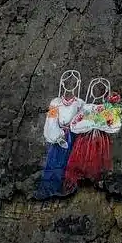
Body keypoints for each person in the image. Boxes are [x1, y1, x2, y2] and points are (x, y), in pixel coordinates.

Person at [63, 77, 122, 191]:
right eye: (95, 89)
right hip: (84, 139)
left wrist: (97, 124)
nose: (98, 93)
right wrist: (91, 123)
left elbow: (115, 126)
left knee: (99, 161)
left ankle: (95, 183)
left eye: (102, 90)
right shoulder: (86, 107)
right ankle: (81, 182)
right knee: (81, 160)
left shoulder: (109, 109)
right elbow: (74, 125)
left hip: (100, 140)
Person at [33, 70, 83, 199]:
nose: (70, 86)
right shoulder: (55, 102)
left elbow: (82, 119)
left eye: (73, 84)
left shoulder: (79, 103)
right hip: (58, 134)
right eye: (67, 83)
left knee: (69, 161)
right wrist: (57, 135)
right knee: (54, 160)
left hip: (73, 135)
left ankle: (65, 187)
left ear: (77, 85)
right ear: (62, 84)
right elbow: (51, 119)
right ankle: (49, 188)